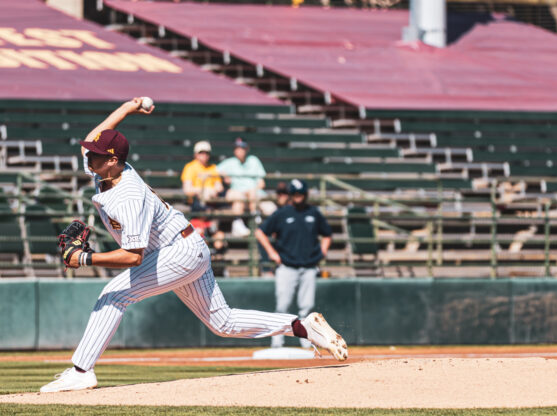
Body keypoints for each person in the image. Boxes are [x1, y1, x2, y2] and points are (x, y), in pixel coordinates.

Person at [39, 99, 347, 393]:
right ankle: (303, 327)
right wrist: (129, 107)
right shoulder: (106, 168)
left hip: (179, 251)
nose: (87, 155)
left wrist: (86, 258)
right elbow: (97, 134)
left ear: (113, 160)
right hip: (185, 247)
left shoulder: (128, 195)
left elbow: (133, 257)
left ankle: (81, 372)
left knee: (114, 294)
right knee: (222, 322)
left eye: (94, 153)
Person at [254, 179, 332, 349]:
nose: (298, 197)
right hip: (287, 266)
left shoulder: (314, 213)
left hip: (309, 266)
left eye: (301, 194)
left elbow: (327, 234)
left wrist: (323, 252)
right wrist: (272, 253)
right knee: (282, 306)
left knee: (307, 307)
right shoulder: (282, 213)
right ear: (291, 195)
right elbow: (260, 232)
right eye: (295, 194)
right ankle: (277, 341)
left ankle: (306, 340)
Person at [217, 138, 267, 215]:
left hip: (255, 195)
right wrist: (224, 175)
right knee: (239, 200)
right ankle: (250, 219)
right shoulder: (230, 162)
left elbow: (262, 184)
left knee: (270, 208)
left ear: (247, 149)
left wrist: (251, 191)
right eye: (237, 148)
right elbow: (215, 170)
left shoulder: (254, 160)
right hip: (238, 194)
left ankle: (255, 219)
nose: (239, 150)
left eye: (242, 148)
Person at [181, 140, 224, 211]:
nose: (204, 155)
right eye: (201, 153)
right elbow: (187, 189)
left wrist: (211, 191)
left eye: (207, 153)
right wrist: (203, 190)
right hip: (195, 200)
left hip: (213, 200)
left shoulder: (213, 167)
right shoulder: (190, 167)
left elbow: (219, 187)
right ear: (195, 154)